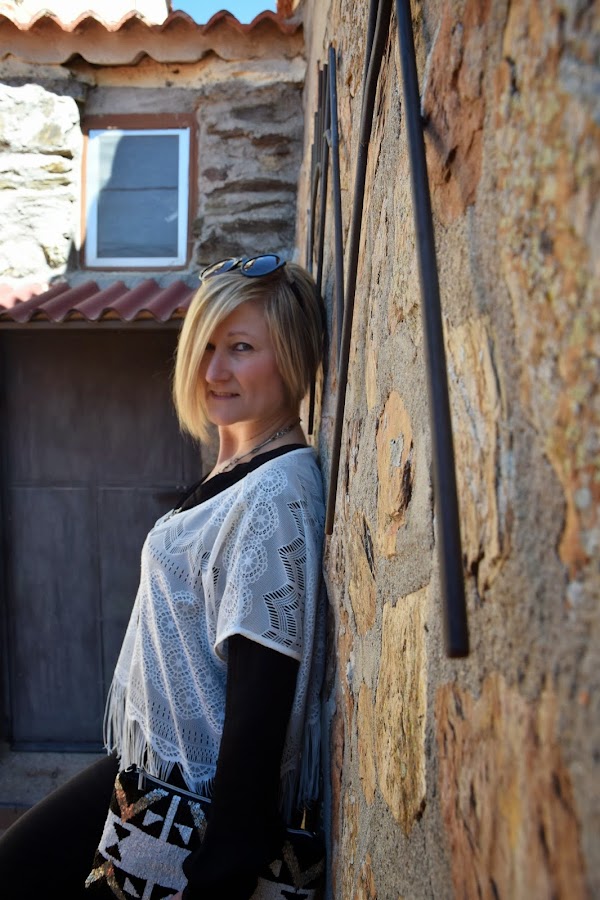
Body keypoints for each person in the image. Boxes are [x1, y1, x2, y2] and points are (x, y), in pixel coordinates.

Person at [0, 253, 326, 899]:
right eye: (205, 346)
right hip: (150, 773)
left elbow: (263, 685)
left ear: (292, 355)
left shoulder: (276, 492)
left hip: (189, 806)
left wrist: (225, 862)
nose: (213, 371)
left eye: (240, 347)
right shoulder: (237, 469)